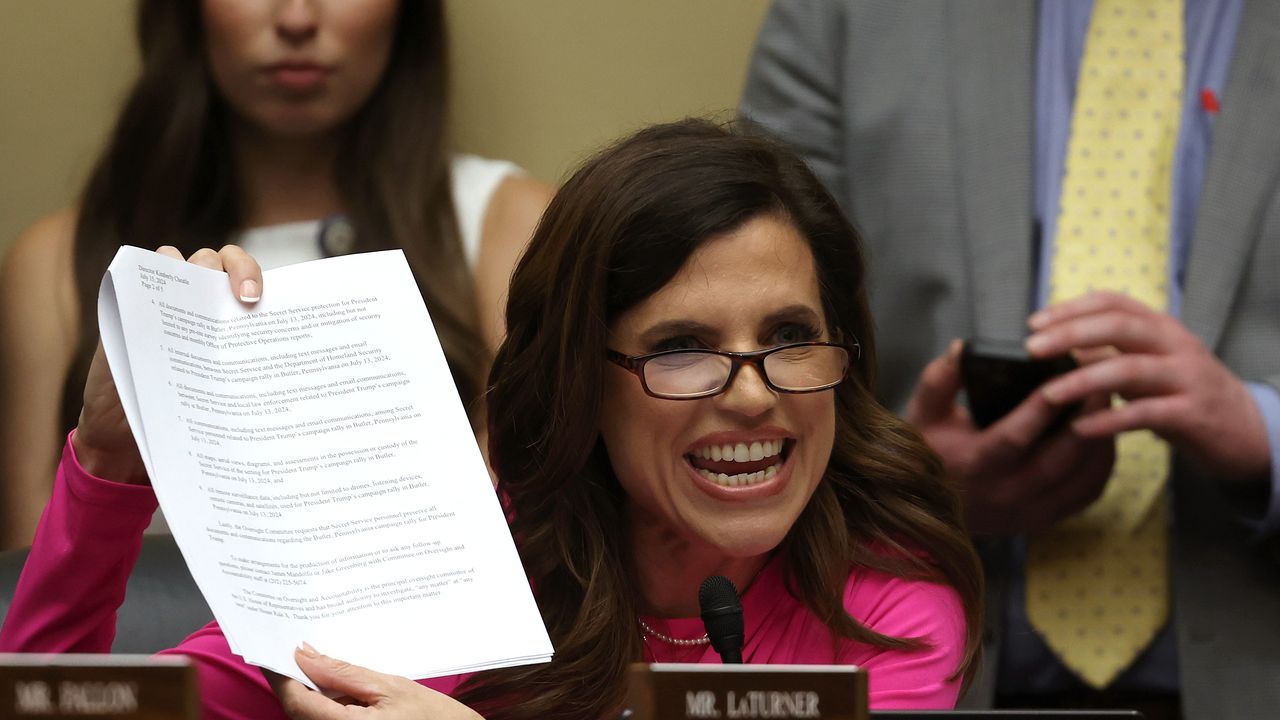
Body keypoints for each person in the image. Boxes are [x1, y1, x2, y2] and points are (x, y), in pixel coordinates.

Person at [0, 120, 983, 718]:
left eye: (790, 337)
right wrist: (111, 464)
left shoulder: (882, 597)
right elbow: (60, 709)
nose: (753, 393)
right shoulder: (453, 565)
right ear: (581, 380)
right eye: (681, 347)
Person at [739, 1, 1280, 718]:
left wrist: (1264, 439)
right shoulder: (845, 16)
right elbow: (741, 322)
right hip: (912, 674)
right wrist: (903, 487)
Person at [0, 0, 552, 549]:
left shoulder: (511, 226)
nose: (297, 20)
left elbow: (539, 549)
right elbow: (28, 585)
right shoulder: (57, 263)